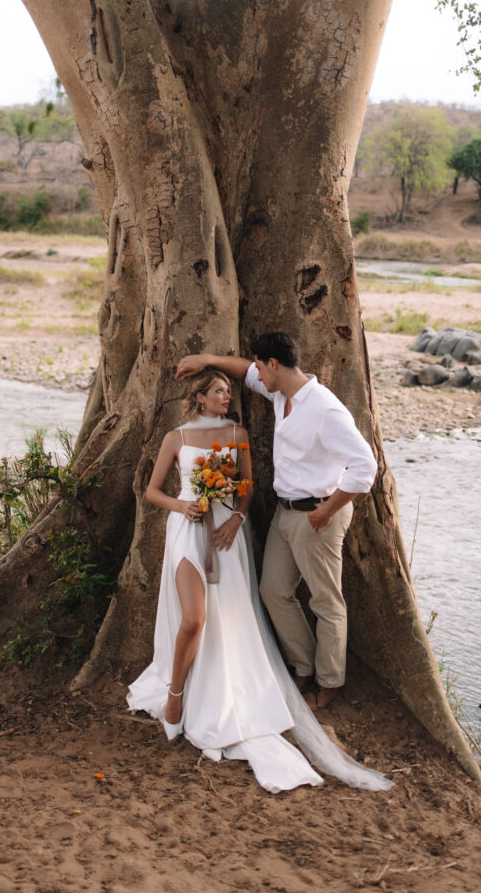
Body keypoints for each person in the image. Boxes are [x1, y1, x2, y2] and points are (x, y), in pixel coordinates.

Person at [127, 367, 391, 794]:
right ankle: (175, 695)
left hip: (226, 537)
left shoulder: (238, 434)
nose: (226, 396)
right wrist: (181, 506)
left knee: (229, 617)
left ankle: (238, 680)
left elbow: (246, 488)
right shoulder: (174, 438)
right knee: (193, 619)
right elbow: (152, 492)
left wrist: (235, 517)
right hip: (187, 531)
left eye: (228, 390)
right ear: (199, 398)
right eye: (218, 391)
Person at [176, 332, 377, 712]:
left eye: (260, 366)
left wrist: (328, 509)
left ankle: (329, 681)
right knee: (273, 591)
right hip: (286, 512)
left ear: (274, 364)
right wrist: (206, 358)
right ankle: (303, 666)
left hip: (317, 515)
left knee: (326, 601)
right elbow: (243, 371)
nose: (255, 376)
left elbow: (366, 466)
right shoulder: (281, 393)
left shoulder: (324, 409)